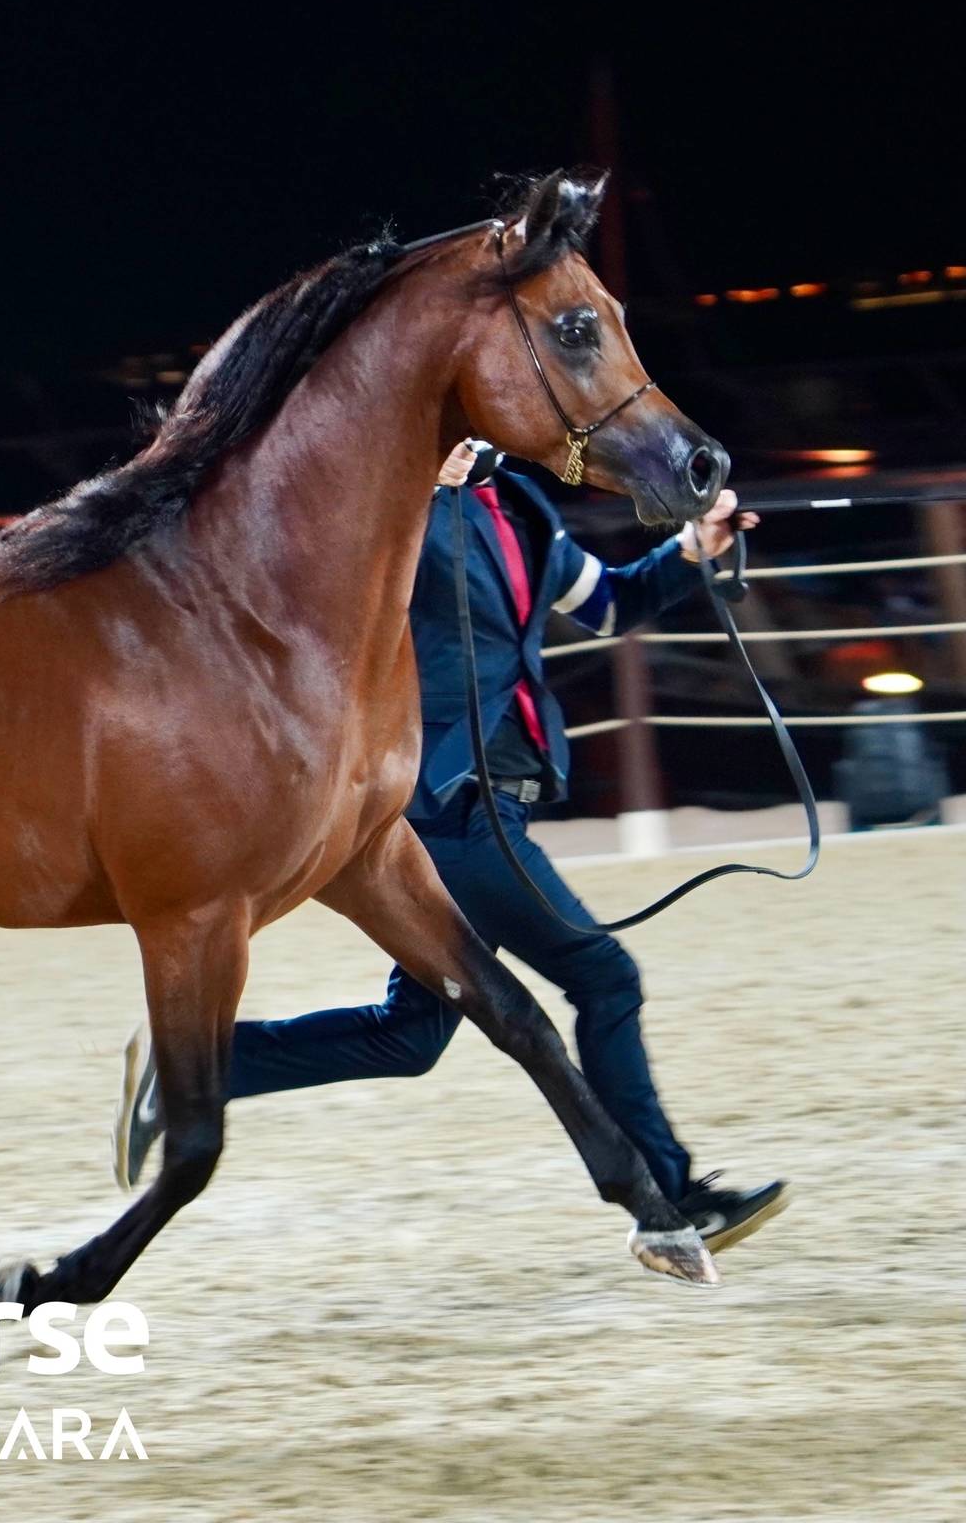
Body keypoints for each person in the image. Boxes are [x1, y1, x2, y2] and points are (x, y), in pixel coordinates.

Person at [113, 439, 787, 1252]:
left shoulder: (522, 507)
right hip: (446, 811)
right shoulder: (384, 516)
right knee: (604, 979)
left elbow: (607, 604)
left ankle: (198, 1068)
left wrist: (692, 550)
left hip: (504, 801)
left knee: (410, 1039)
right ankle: (672, 1201)